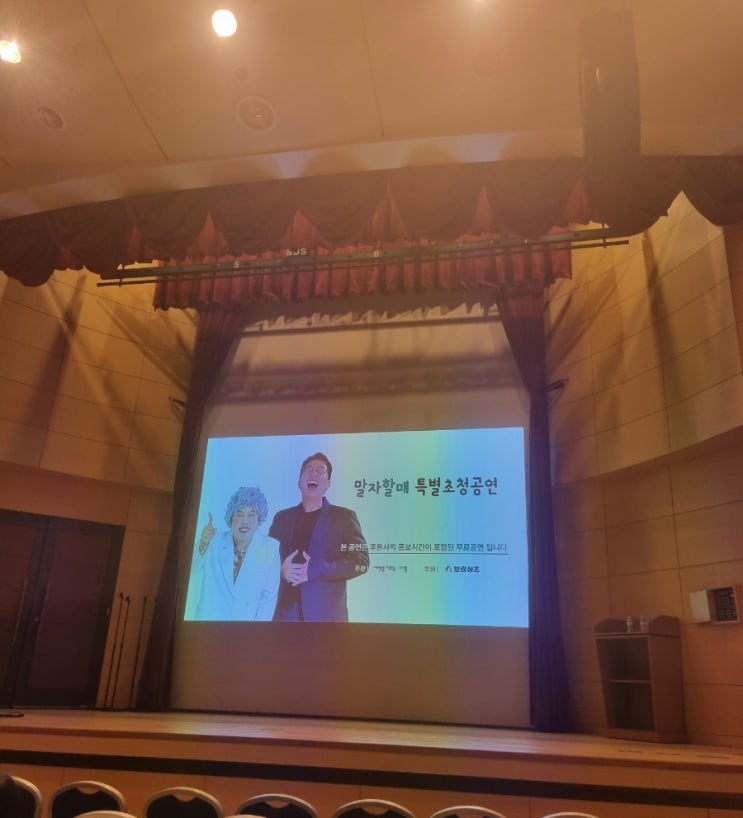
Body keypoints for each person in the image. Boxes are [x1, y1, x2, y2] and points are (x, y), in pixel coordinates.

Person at [270, 452, 369, 622]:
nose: (313, 473)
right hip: (284, 615)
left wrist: (315, 569)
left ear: (328, 484)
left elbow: (361, 562)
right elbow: (265, 560)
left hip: (326, 616)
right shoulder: (282, 518)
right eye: (308, 470)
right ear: (299, 482)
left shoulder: (344, 517)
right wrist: (281, 570)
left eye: (320, 471)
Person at [192, 485, 280, 620]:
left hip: (244, 629)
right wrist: (203, 543)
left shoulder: (270, 548)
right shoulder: (213, 541)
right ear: (230, 518)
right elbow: (189, 570)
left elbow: (268, 599)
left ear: (259, 520)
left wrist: (256, 631)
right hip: (207, 625)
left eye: (251, 515)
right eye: (239, 514)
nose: (245, 521)